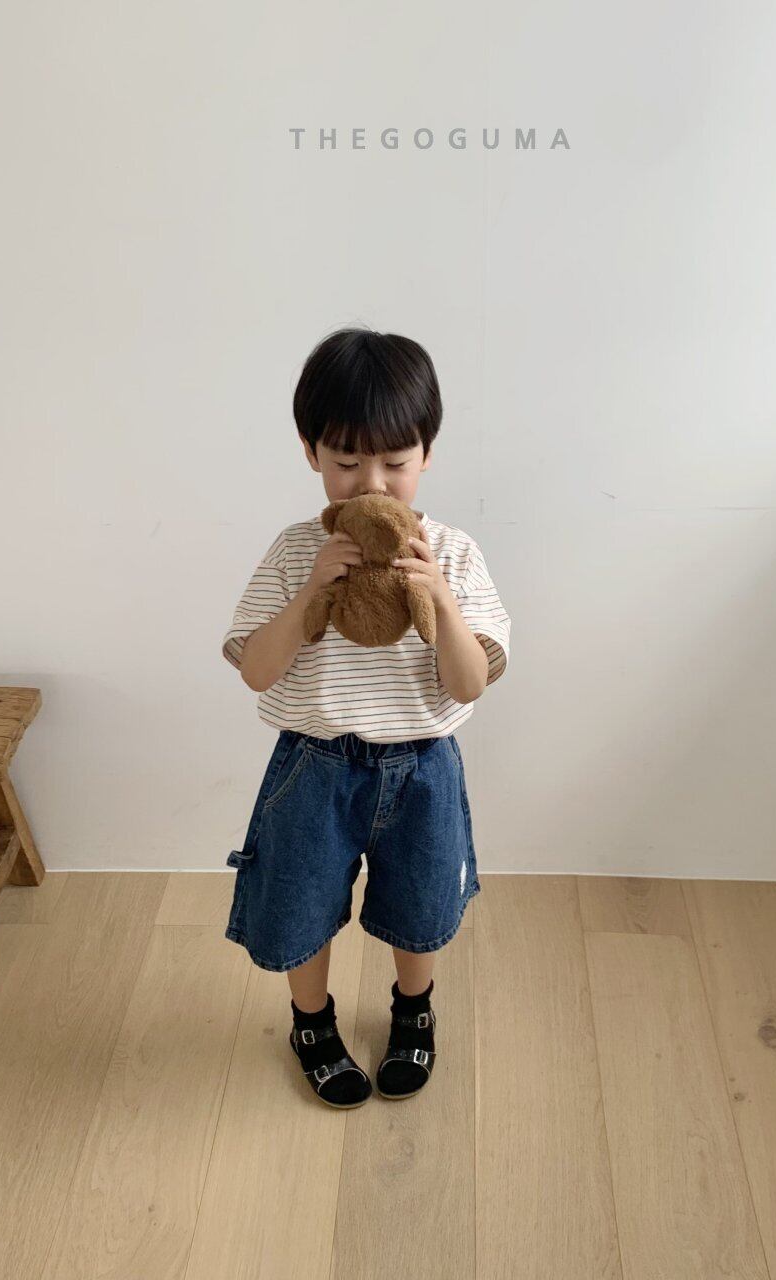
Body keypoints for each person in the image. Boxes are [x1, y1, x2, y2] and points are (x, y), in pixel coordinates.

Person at [220, 327, 511, 1108]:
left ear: (427, 456)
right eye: (346, 462)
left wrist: (438, 600)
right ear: (311, 453)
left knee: (421, 899)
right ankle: (311, 1022)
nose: (369, 483)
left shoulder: (452, 553)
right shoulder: (295, 552)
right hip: (313, 763)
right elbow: (255, 669)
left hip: (422, 766)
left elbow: (470, 683)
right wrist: (312, 592)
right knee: (298, 900)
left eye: (394, 463)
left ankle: (413, 1009)